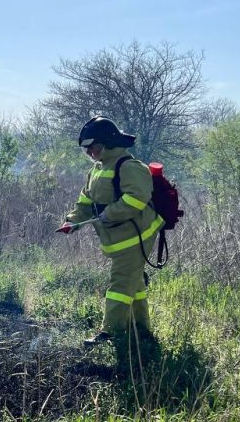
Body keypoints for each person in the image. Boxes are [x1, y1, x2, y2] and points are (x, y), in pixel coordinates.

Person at [56, 117, 165, 356]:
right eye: (86, 149)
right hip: (117, 237)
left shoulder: (129, 166)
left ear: (105, 143)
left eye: (91, 147)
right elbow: (85, 201)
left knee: (120, 283)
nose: (88, 152)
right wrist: (72, 221)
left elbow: (136, 199)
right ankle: (141, 329)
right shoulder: (97, 169)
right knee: (133, 282)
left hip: (137, 236)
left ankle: (111, 332)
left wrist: (109, 214)